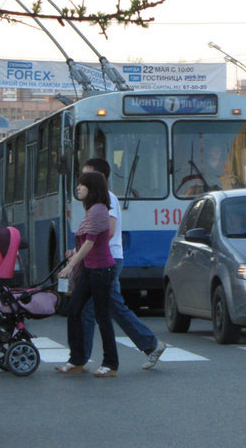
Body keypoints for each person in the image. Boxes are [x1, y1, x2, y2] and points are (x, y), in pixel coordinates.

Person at [79, 158, 166, 370]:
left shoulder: (106, 198)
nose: (81, 181)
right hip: (105, 258)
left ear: (99, 178)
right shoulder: (99, 199)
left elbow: (107, 230)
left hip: (108, 259)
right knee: (109, 307)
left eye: (86, 176)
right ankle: (150, 344)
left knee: (93, 309)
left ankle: (80, 358)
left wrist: (85, 248)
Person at [56, 171, 119, 377]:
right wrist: (72, 253)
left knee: (102, 317)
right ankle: (77, 360)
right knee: (73, 310)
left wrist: (70, 265)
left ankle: (111, 364)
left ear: (92, 189)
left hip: (102, 270)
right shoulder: (91, 210)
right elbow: (85, 244)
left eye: (82, 185)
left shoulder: (99, 210)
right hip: (91, 270)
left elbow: (90, 244)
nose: (78, 188)